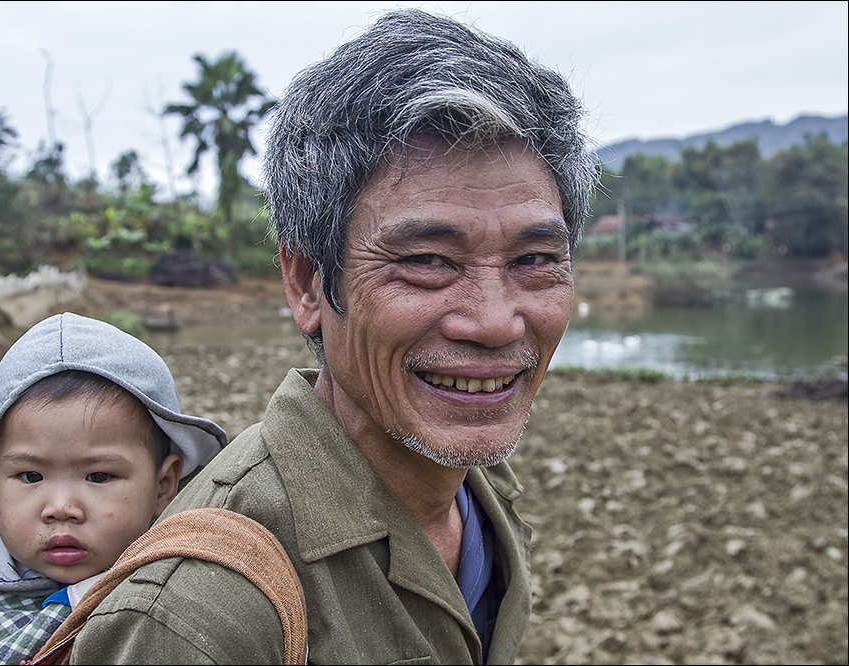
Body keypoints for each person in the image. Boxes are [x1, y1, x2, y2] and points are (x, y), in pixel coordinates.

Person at [72, 8, 598, 664]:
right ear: (307, 283)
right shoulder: (196, 615)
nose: (494, 322)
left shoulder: (477, 495)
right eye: (428, 261)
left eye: (535, 260)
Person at [0, 312, 227, 664]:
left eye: (98, 476)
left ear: (163, 486)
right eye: (31, 476)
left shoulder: (187, 594)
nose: (61, 508)